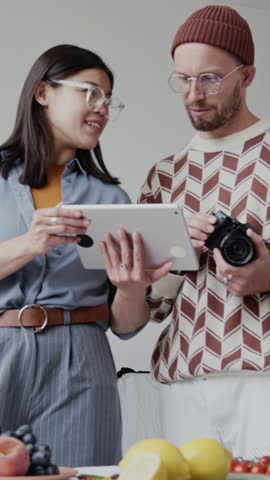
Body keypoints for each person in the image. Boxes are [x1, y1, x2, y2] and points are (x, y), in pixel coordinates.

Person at [0, 44, 171, 468]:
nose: (102, 109)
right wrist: (30, 244)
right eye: (90, 93)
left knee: (82, 474)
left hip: (81, 362)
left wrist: (132, 287)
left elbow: (125, 324)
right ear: (43, 92)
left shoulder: (112, 200)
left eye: (109, 101)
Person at [139, 5, 270, 457]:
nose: (194, 94)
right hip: (184, 384)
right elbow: (151, 308)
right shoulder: (164, 175)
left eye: (210, 78)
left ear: (247, 75)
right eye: (183, 79)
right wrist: (175, 260)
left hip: (264, 382)